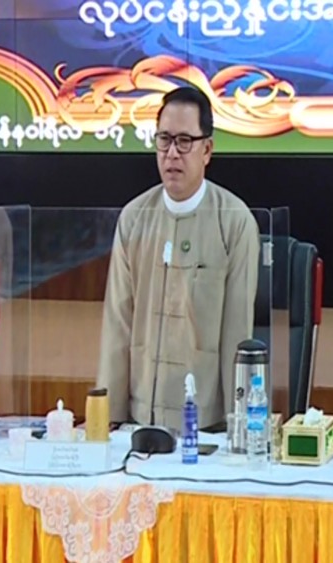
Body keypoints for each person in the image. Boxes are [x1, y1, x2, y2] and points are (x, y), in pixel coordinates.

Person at [97, 86, 260, 431]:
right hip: (141, 421)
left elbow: (237, 333)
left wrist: (238, 427)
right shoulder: (134, 218)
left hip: (206, 425)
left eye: (184, 141)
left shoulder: (234, 222)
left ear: (207, 150)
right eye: (164, 139)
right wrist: (108, 421)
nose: (172, 153)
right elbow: (117, 325)